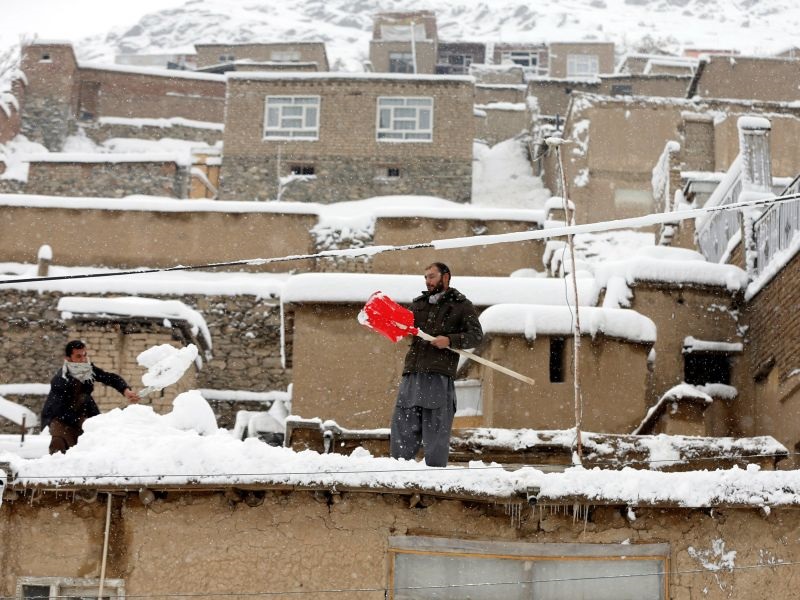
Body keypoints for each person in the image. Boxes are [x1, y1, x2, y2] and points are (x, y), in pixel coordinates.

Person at [390, 263, 483, 467]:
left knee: (436, 431)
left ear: (446, 277)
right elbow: (403, 326)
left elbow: (476, 337)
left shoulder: (461, 305)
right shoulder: (418, 304)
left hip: (439, 376)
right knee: (403, 428)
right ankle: (396, 473)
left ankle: (435, 478)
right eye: (425, 277)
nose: (428, 281)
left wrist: (450, 340)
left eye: (432, 277)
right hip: (412, 373)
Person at [42, 340, 141, 454]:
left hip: (83, 414)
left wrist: (126, 390)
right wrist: (82, 422)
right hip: (61, 419)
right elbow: (59, 409)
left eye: (84, 355)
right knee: (58, 446)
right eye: (78, 356)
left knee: (93, 446)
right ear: (68, 359)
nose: (83, 359)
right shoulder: (59, 380)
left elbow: (110, 378)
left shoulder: (88, 370)